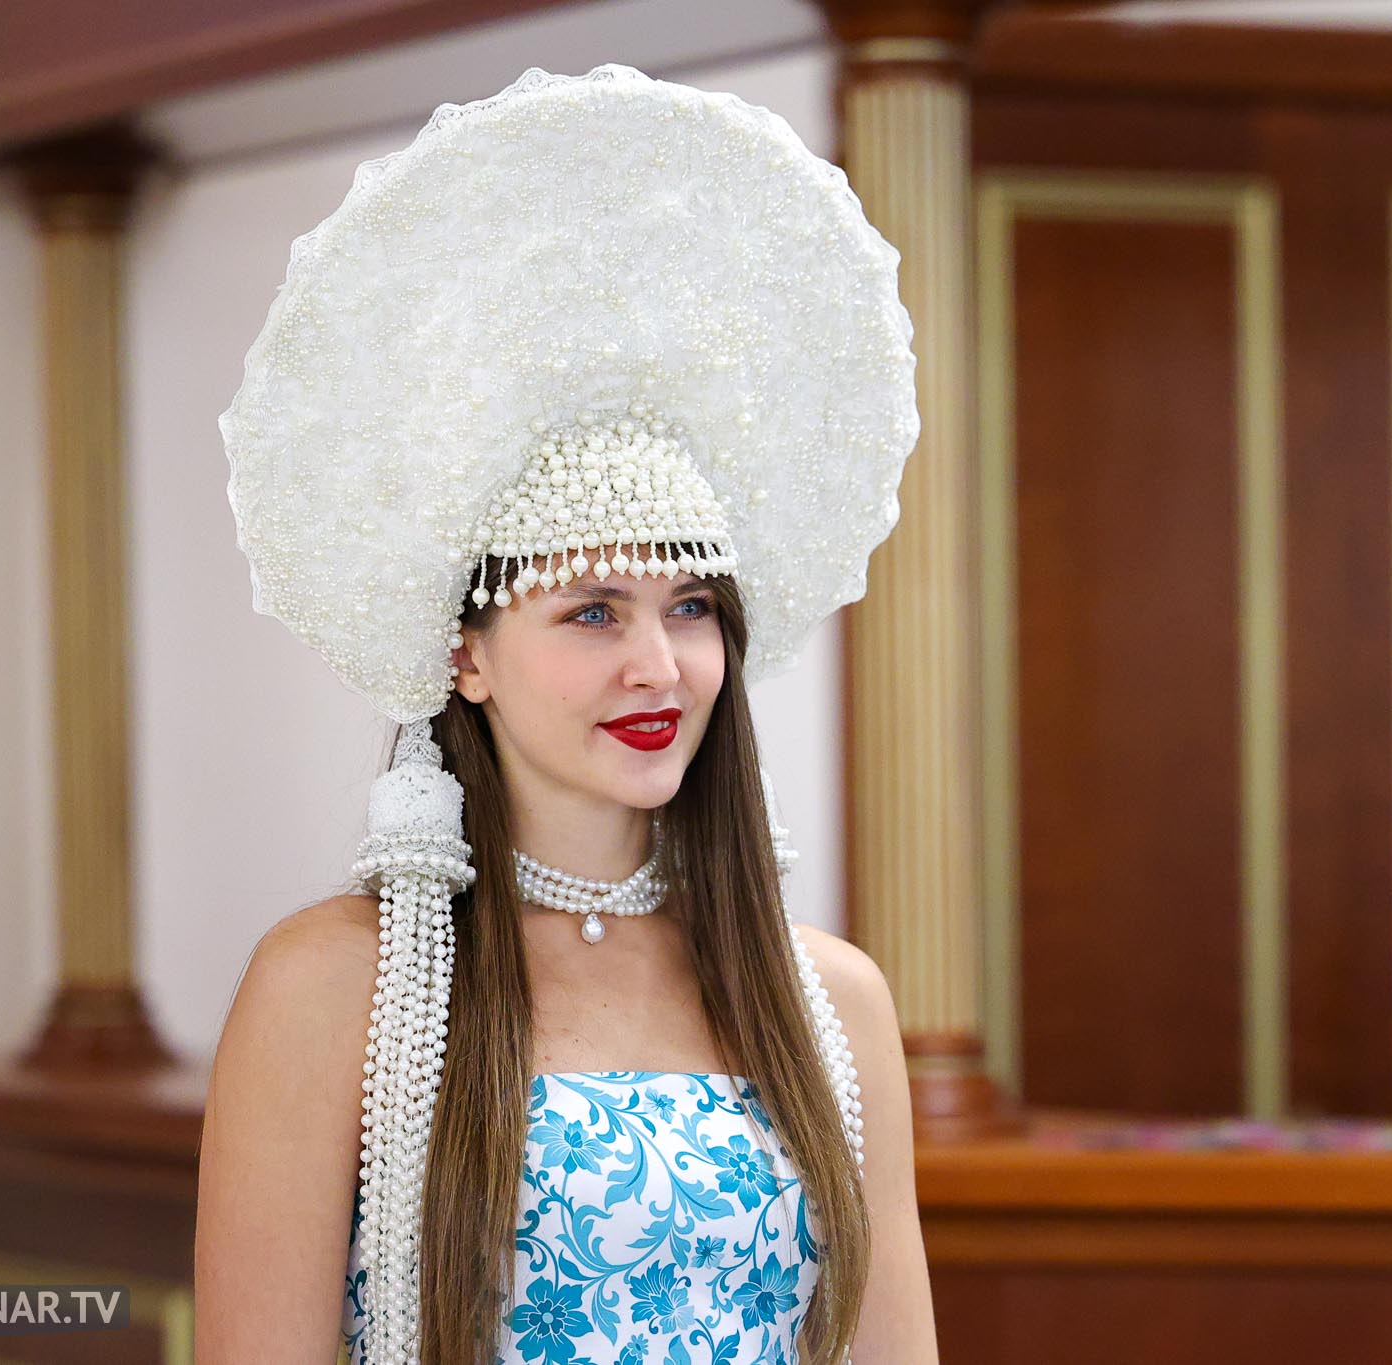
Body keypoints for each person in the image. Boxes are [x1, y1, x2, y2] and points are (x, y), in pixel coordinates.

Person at [192, 65, 932, 1365]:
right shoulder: (331, 989)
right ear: (466, 653)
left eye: (690, 607)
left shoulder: (827, 999)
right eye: (593, 611)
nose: (659, 664)